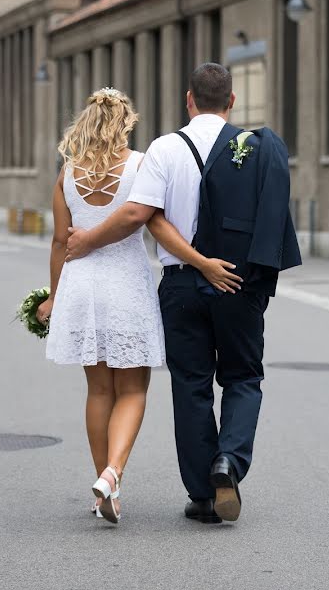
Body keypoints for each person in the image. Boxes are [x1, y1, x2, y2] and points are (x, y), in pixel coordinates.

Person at [64, 63, 302, 524]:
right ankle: (228, 461)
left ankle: (201, 495)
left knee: (191, 386)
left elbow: (145, 216)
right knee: (242, 378)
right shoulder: (254, 149)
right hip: (237, 282)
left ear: (188, 99)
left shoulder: (164, 148)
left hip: (182, 286)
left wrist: (194, 263)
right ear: (232, 102)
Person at [36, 87, 165, 525]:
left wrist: (54, 296)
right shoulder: (141, 165)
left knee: (98, 390)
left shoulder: (67, 173)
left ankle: (104, 490)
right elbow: (152, 220)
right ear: (125, 122)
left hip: (82, 286)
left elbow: (59, 241)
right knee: (133, 389)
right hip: (126, 283)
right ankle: (113, 473)